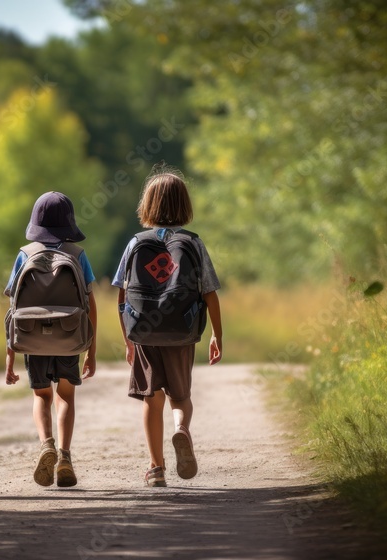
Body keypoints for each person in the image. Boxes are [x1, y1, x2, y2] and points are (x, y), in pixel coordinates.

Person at [112, 167, 222, 487]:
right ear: (184, 205)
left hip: (144, 329)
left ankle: (155, 468)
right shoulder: (193, 242)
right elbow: (209, 291)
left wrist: (127, 337)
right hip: (182, 329)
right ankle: (181, 430)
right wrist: (217, 333)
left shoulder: (136, 242)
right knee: (181, 395)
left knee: (151, 397)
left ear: (147, 205)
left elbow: (121, 291)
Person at [4, 192, 98, 488]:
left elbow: (14, 308)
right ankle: (65, 457)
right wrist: (90, 350)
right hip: (69, 336)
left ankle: (46, 444)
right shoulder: (77, 255)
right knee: (66, 397)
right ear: (69, 222)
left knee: (41, 396)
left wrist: (10, 357)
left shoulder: (24, 254)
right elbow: (90, 304)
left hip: (32, 339)